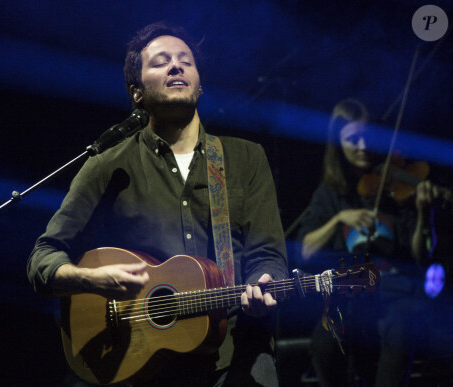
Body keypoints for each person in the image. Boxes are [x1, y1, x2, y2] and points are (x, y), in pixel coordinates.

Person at [27, 22, 288, 386]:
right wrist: (89, 279)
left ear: (199, 82)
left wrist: (267, 282)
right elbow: (44, 256)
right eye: (161, 62)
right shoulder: (107, 165)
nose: (176, 67)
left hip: (237, 350)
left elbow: (268, 253)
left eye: (185, 61)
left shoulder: (245, 159)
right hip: (147, 362)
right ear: (136, 92)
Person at [297, 98, 446, 386]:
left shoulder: (398, 184)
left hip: (394, 291)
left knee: (401, 330)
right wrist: (339, 218)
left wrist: (425, 215)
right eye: (353, 139)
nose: (364, 146)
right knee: (324, 344)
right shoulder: (332, 192)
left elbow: (421, 255)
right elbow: (305, 248)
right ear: (338, 143)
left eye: (369, 136)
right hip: (348, 291)